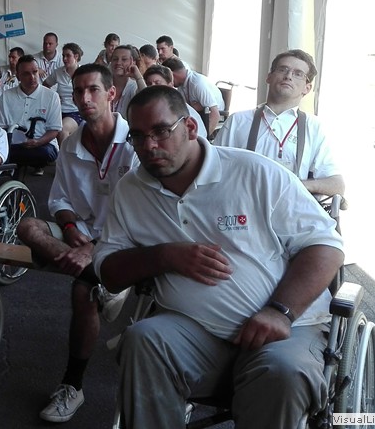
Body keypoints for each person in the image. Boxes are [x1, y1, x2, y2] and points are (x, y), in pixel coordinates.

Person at [94, 85, 344, 428]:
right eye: (137, 136)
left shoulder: (254, 173)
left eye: (161, 131)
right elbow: (108, 271)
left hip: (287, 328)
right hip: (195, 331)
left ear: (190, 127)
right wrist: (164, 256)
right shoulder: (131, 190)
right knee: (141, 340)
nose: (149, 146)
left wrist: (280, 311)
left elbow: (326, 246)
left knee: (282, 372)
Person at [15, 64, 138, 423]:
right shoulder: (71, 144)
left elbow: (142, 212)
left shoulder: (133, 144)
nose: (84, 98)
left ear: (111, 94)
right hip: (81, 233)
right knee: (28, 227)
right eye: (79, 91)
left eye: (93, 90)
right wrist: (70, 229)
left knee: (82, 292)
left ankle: (73, 385)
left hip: (125, 237)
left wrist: (95, 246)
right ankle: (98, 277)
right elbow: (58, 199)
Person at [213, 49, 345, 197]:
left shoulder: (313, 127)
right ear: (269, 77)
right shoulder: (238, 121)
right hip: (242, 205)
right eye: (283, 69)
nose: (288, 76)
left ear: (307, 88)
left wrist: (297, 185)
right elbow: (211, 169)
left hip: (290, 207)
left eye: (298, 74)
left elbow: (337, 185)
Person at [0, 55, 62, 175]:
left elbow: (54, 130)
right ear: (18, 76)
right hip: (13, 144)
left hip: (42, 145)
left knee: (44, 153)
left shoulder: (52, 96)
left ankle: (18, 165)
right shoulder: (6, 96)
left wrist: (38, 142)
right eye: (26, 74)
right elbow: (0, 127)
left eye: (35, 72)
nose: (32, 77)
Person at [162, 57, 225, 139]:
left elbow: (215, 115)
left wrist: (203, 140)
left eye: (167, 79)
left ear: (172, 74)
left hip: (213, 116)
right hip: (201, 115)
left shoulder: (198, 83)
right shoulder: (181, 84)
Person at [43, 43, 83, 143]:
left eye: (68, 56)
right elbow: (44, 86)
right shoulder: (58, 72)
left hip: (76, 112)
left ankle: (64, 153)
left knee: (62, 129)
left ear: (76, 56)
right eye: (63, 55)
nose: (64, 59)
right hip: (58, 111)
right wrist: (54, 97)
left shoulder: (83, 73)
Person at [110, 45, 147, 118]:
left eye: (124, 59)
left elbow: (147, 99)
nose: (118, 62)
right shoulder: (103, 83)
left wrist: (138, 76)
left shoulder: (134, 87)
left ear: (133, 62)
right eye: (115, 59)